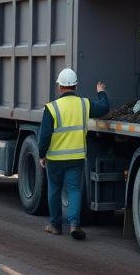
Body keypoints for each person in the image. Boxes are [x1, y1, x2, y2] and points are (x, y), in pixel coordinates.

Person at [38, 68, 109, 240]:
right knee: (74, 190)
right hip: (76, 158)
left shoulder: (52, 107)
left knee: (54, 190)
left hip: (55, 159)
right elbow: (104, 108)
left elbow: (45, 135)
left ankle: (55, 225)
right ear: (76, 86)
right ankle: (74, 225)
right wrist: (101, 93)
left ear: (59, 87)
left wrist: (42, 154)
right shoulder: (84, 104)